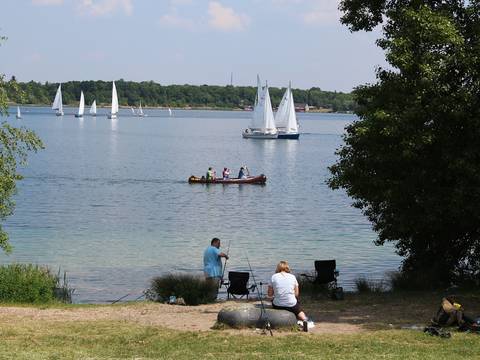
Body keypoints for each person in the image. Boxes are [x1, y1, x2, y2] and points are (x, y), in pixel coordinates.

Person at [267, 261, 315, 329]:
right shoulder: (292, 277)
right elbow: (296, 294)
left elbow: (269, 294)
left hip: (278, 305)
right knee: (298, 310)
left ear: (278, 268)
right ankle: (304, 320)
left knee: (273, 300)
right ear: (287, 268)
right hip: (291, 304)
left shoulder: (273, 277)